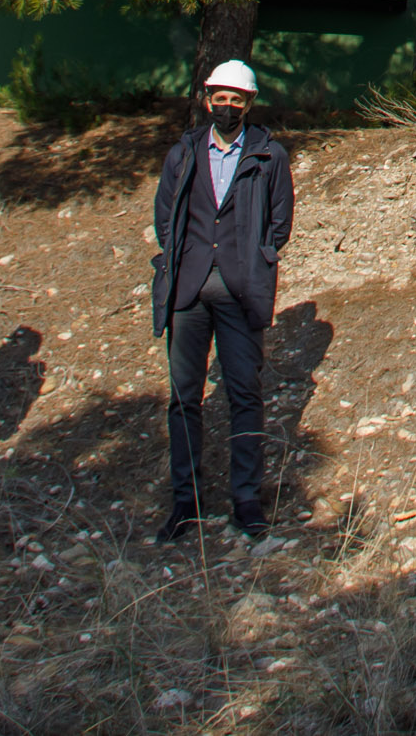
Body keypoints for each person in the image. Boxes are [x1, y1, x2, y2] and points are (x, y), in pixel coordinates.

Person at [148, 57, 293, 545]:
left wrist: (251, 259)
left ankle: (246, 500)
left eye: (237, 99)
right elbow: (165, 217)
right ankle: (184, 503)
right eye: (220, 97)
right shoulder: (183, 152)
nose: (227, 106)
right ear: (207, 99)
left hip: (240, 292)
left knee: (245, 396)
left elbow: (280, 223)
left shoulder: (270, 156)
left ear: (250, 103)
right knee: (184, 399)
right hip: (186, 294)